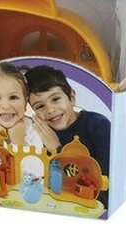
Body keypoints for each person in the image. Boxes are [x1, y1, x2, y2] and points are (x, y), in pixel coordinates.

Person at [25, 65, 110, 207]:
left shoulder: (98, 126)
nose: (50, 110)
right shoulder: (38, 134)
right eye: (40, 106)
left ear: (71, 97)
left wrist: (58, 149)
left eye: (55, 99)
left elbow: (105, 188)